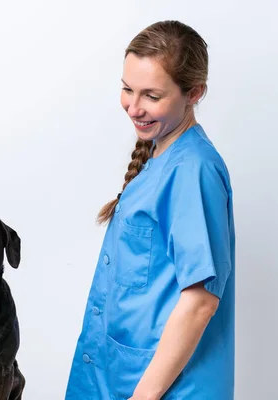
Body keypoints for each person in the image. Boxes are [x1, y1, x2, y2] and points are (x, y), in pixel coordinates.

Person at [65, 20, 235, 400]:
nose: (134, 107)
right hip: (116, 376)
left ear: (194, 92)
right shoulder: (161, 156)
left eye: (152, 96)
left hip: (156, 389)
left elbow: (200, 301)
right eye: (127, 89)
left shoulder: (192, 169)